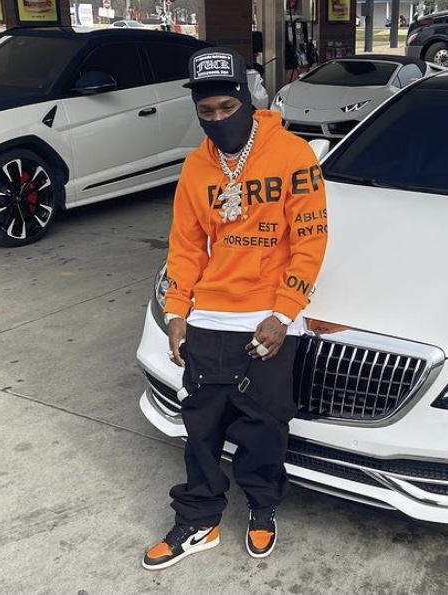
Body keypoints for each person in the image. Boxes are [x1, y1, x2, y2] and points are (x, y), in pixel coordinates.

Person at [141, 46, 329, 570]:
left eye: (227, 108)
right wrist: (177, 311)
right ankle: (199, 521)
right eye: (207, 112)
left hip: (268, 317)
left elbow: (309, 242)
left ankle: (263, 509)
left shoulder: (293, 156)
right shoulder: (195, 167)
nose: (218, 120)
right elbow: (184, 246)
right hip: (208, 318)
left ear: (247, 102)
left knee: (262, 427)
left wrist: (283, 312)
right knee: (200, 427)